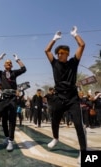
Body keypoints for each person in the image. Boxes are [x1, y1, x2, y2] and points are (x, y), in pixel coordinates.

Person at [44, 26, 86, 163]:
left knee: (79, 125)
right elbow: (47, 50)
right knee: (54, 121)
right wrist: (54, 39)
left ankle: (83, 153)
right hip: (58, 97)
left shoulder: (73, 63)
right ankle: (56, 138)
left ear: (67, 54)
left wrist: (75, 34)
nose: (59, 55)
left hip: (72, 98)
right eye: (58, 53)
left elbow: (82, 45)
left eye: (62, 53)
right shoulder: (54, 63)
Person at [0, 52, 26, 151]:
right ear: (4, 65)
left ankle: (11, 141)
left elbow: (24, 69)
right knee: (3, 120)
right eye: (7, 63)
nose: (8, 64)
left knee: (12, 119)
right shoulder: (1, 73)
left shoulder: (14, 73)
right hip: (3, 99)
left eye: (10, 63)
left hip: (12, 99)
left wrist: (17, 60)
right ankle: (6, 137)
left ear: (12, 65)